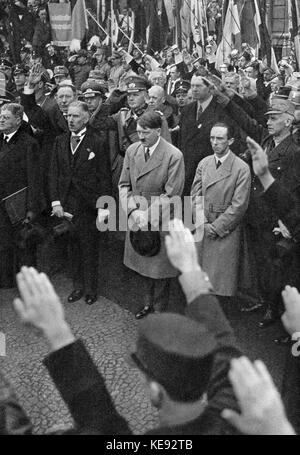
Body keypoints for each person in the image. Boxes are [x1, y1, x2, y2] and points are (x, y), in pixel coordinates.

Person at [13, 219, 242, 435]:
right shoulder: (233, 414)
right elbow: (99, 420)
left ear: (156, 390)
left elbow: (101, 422)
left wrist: (190, 268)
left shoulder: (230, 401)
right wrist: (57, 331)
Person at [119, 111, 184, 319]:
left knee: (160, 270)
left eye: (145, 132)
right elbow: (124, 184)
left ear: (158, 131)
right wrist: (132, 210)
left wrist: (147, 215)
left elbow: (172, 193)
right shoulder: (132, 151)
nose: (141, 137)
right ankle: (147, 304)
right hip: (136, 214)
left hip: (161, 217)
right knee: (142, 264)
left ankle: (159, 310)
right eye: (138, 132)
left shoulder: (173, 155)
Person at [49, 101, 111, 305]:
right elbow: (54, 173)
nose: (71, 120)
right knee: (72, 247)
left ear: (86, 117)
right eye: (68, 116)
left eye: (75, 116)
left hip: (88, 204)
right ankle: (78, 286)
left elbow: (104, 177)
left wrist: (104, 207)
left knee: (89, 248)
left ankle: (91, 289)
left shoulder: (98, 141)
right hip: (66, 203)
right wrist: (56, 202)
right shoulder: (60, 140)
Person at [191, 123, 251, 300]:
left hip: (225, 229)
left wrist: (216, 228)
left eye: (220, 139)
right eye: (212, 138)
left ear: (230, 141)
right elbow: (195, 195)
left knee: (219, 281)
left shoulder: (241, 168)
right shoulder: (204, 163)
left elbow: (239, 205)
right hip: (204, 224)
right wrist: (202, 222)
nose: (214, 143)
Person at [178, 72, 242, 196]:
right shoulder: (187, 110)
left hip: (212, 172)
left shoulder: (222, 110)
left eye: (199, 86)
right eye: (192, 86)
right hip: (188, 172)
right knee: (187, 211)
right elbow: (182, 141)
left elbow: (232, 141)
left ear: (209, 88)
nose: (194, 89)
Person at [0, 103, 42, 288]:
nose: (1, 120)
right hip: (2, 202)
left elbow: (34, 178)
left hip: (19, 203)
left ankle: (29, 285)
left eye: (6, 117)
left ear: (18, 120)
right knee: (4, 244)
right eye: (0, 116)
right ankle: (7, 280)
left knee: (24, 246)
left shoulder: (29, 144)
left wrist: (32, 208)